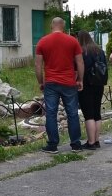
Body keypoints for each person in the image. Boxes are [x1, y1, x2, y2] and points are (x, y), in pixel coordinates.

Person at [35, 17, 84, 154]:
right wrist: (80, 79)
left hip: (51, 83)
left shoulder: (42, 42)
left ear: (52, 26)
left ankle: (52, 145)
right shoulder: (73, 41)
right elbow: (80, 63)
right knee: (72, 113)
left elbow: (38, 65)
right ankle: (76, 144)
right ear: (64, 26)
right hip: (69, 82)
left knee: (51, 113)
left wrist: (40, 81)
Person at [77, 30, 107, 149]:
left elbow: (79, 67)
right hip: (99, 84)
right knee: (97, 113)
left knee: (88, 114)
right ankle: (97, 140)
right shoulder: (100, 51)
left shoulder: (82, 51)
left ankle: (91, 142)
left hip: (86, 84)